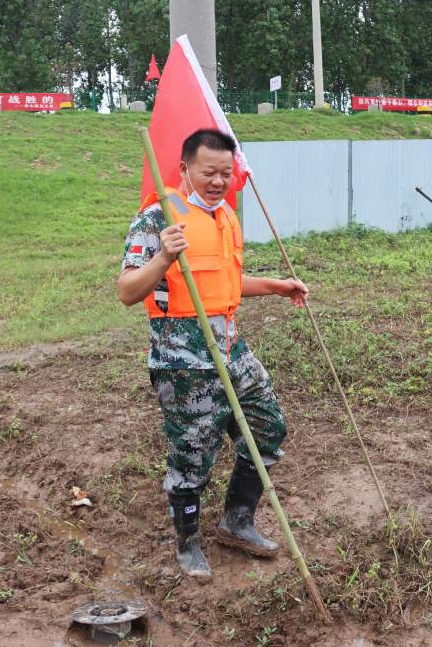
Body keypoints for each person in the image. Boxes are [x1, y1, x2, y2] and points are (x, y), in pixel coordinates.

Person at [117, 128, 308, 582]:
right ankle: (187, 544)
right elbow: (127, 291)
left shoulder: (224, 218)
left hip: (230, 347)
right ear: (185, 169)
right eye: (209, 172)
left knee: (267, 427)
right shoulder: (158, 218)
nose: (219, 181)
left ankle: (236, 522)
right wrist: (163, 257)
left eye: (226, 173)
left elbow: (223, 284)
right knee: (193, 455)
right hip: (184, 361)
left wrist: (276, 287)